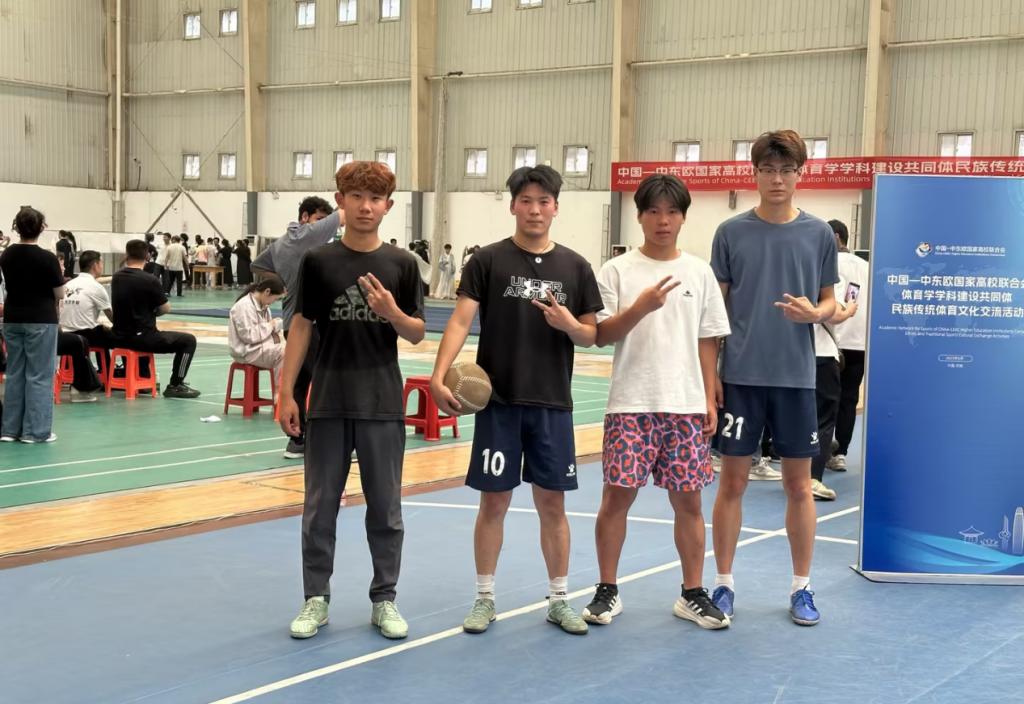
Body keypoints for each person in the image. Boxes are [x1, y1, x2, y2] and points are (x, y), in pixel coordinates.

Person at [430, 165, 603, 636]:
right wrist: (438, 374)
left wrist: (569, 324)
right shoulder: (487, 261)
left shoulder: (576, 267)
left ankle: (560, 600)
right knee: (494, 503)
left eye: (543, 201)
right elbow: (460, 321)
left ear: (556, 208)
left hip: (552, 405)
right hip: (499, 405)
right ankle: (484, 598)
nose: (534, 209)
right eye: (526, 200)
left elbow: (591, 335)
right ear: (512, 206)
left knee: (553, 505)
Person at [280, 161, 424, 641]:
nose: (365, 206)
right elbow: (301, 327)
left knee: (386, 508)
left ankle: (385, 598)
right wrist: (286, 392)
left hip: (381, 402)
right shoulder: (318, 262)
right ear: (340, 202)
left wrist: (392, 311)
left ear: (388, 206)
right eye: (356, 197)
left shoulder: (402, 264)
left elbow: (417, 333)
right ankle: (315, 599)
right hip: (328, 400)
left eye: (375, 198)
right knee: (320, 507)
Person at [583, 174, 731, 629]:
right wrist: (640, 307)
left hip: (685, 406)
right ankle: (607, 589)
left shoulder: (699, 272)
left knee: (689, 503)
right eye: (653, 211)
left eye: (671, 212)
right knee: (616, 498)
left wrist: (708, 397)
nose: (662, 221)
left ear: (683, 217)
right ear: (639, 216)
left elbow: (708, 339)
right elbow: (601, 335)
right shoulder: (616, 271)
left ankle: (692, 592)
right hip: (631, 403)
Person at [708, 130, 838, 627]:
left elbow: (829, 302)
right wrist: (711, 374)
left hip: (796, 378)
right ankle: (723, 583)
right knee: (732, 483)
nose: (777, 179)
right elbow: (714, 311)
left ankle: (802, 587)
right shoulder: (730, 233)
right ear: (755, 174)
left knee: (799, 487)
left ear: (800, 174)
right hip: (741, 377)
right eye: (768, 170)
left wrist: (815, 313)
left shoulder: (818, 234)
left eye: (786, 170)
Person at [252, 195, 340, 459]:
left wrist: (284, 281)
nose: (323, 226)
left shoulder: (281, 243)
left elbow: (258, 265)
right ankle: (314, 439)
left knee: (303, 381)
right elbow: (344, 213)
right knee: (320, 379)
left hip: (294, 323)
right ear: (305, 217)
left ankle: (299, 440)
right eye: (319, 220)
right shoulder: (305, 236)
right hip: (307, 324)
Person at [0, 207, 65, 443]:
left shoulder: (6, 255)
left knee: (15, 373)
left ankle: (9, 430)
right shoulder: (47, 258)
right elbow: (59, 294)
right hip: (41, 319)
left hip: (13, 318)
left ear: (16, 227)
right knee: (39, 375)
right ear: (41, 228)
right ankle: (35, 431)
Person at [110, 240, 200, 398]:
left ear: (127, 254)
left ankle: (141, 377)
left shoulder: (117, 277)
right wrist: (153, 313)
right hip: (142, 338)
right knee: (188, 340)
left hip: (119, 336)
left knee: (142, 331)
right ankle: (176, 384)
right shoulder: (150, 280)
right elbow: (165, 308)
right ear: (147, 256)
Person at [808, 286, 858, 501]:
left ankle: (796, 476)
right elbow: (834, 313)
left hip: (789, 355)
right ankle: (812, 477)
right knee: (823, 419)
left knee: (800, 417)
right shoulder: (827, 277)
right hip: (821, 354)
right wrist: (849, 311)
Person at [828, 219, 870, 472]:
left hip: (832, 342)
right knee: (849, 398)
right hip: (860, 342)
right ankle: (840, 452)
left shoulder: (828, 262)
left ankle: (822, 451)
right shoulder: (866, 267)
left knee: (824, 399)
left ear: (835, 236)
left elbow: (840, 301)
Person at [61, 250, 117, 377]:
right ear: (95, 265)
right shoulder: (96, 287)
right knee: (120, 336)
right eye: (101, 263)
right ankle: (108, 374)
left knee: (99, 329)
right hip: (86, 336)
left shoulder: (68, 285)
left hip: (64, 335)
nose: (102, 266)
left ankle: (70, 370)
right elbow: (113, 318)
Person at [228, 275, 286, 379]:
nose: (273, 302)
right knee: (284, 353)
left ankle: (289, 387)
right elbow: (249, 336)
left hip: (259, 347)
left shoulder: (264, 306)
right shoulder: (244, 306)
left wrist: (275, 327)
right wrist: (271, 325)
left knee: (293, 349)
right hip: (246, 351)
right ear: (267, 291)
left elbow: (266, 331)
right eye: (275, 299)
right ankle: (279, 388)